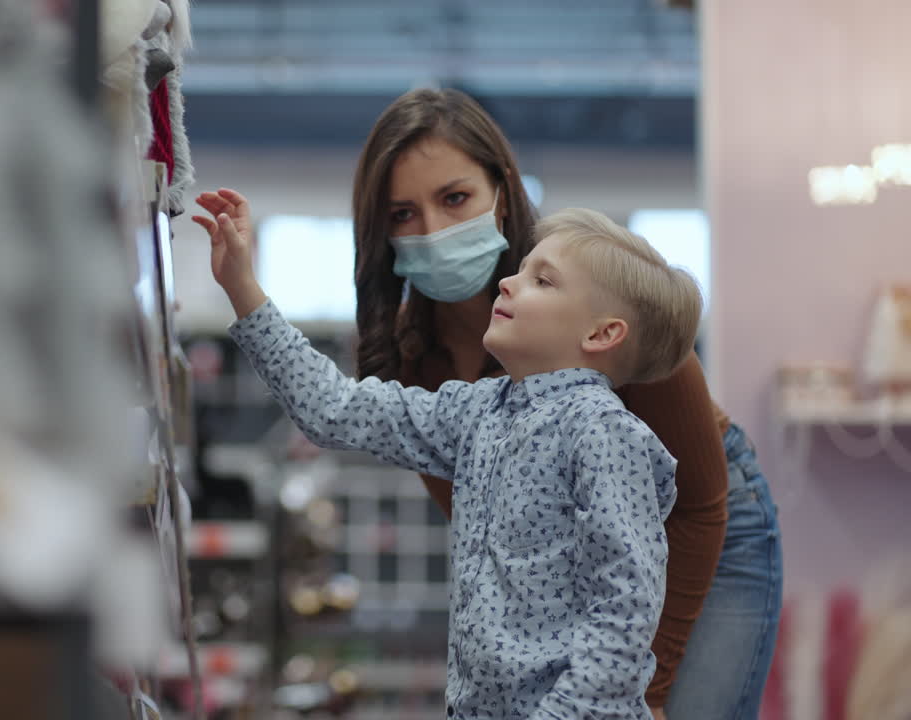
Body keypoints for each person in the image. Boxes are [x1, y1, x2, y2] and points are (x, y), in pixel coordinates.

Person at [347, 88, 782, 720]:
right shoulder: (413, 357)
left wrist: (645, 694)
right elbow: (495, 542)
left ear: (502, 193)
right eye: (403, 214)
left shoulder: (596, 289)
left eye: (455, 198)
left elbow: (699, 508)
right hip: (590, 562)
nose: (434, 231)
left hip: (702, 527)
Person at [194, 196, 701, 719]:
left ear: (601, 334)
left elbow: (625, 604)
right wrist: (242, 289)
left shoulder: (605, 434)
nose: (509, 282)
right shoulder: (479, 411)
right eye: (521, 271)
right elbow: (337, 409)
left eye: (543, 281)